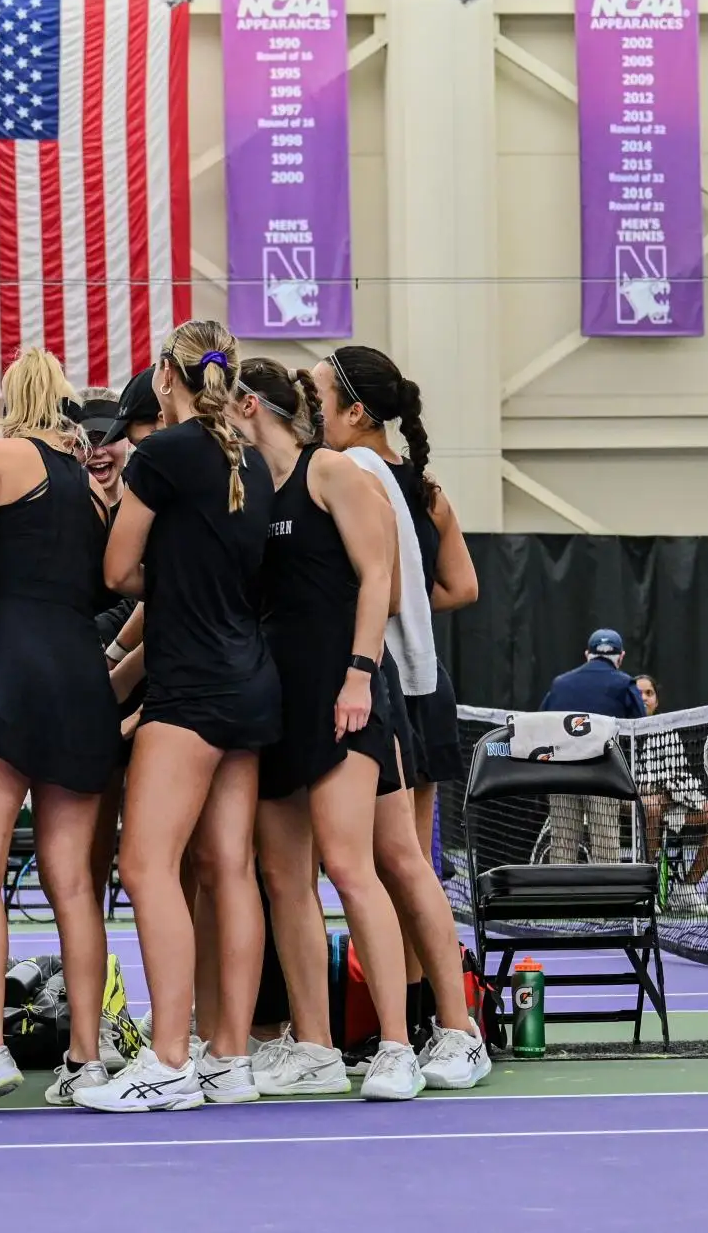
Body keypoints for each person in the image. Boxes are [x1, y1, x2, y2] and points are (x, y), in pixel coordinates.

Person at [75, 321, 279, 1113]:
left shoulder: (162, 456)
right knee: (226, 868)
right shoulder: (252, 459)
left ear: (167, 374)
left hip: (191, 686)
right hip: (250, 683)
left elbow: (118, 567)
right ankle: (228, 1058)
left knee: (144, 866)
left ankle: (167, 1059)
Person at [0, 349, 121, 1110]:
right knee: (73, 881)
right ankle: (86, 1056)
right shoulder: (91, 488)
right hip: (76, 672)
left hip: (3, 664)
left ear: (9, 400)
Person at [229, 359, 424, 1101]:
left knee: (349, 865)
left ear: (250, 405)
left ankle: (398, 1043)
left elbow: (382, 578)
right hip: (273, 700)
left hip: (340, 692)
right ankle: (313, 1044)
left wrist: (356, 673)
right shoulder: (248, 491)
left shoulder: (332, 472)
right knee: (284, 877)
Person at [312, 344, 490, 1090]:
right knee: (401, 862)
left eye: (316, 395)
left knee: (401, 864)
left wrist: (383, 613)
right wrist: (408, 610)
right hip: (415, 678)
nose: (307, 407)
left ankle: (453, 1026)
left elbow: (421, 587)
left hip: (392, 682)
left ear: (355, 411)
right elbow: (461, 589)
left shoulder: (356, 479)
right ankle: (426, 1024)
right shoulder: (426, 489)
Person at [537, 628, 644, 866]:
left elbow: (541, 723)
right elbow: (641, 728)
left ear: (587, 654)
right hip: (602, 776)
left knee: (562, 845)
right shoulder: (625, 683)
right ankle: (609, 900)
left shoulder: (560, 684)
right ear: (621, 656)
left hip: (561, 775)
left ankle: (559, 900)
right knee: (605, 848)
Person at [630, 674, 708, 915]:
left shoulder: (667, 732)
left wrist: (668, 792)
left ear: (656, 700)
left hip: (674, 805)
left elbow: (679, 775)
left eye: (649, 693)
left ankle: (686, 890)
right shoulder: (621, 731)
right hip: (634, 805)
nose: (644, 699)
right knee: (652, 807)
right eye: (639, 693)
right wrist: (654, 792)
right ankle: (648, 888)